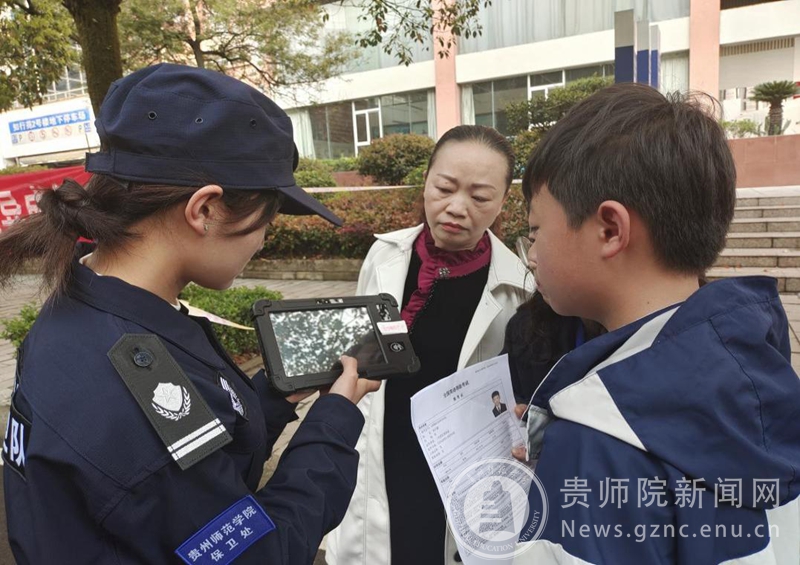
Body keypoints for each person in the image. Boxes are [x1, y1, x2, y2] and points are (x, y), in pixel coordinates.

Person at [0, 63, 380, 564]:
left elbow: (194, 473)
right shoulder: (128, 382)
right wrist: (335, 419)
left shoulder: (83, 303)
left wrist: (274, 394)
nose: (263, 240)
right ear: (204, 210)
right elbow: (260, 553)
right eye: (266, 219)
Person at [512, 84, 800, 563]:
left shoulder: (595, 445)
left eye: (535, 230)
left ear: (610, 230)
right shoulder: (759, 379)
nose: (532, 254)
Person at [325, 125, 530, 565]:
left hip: (454, 464)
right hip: (381, 446)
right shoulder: (384, 255)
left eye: (480, 197)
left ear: (502, 202)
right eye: (444, 188)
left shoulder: (519, 288)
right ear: (426, 182)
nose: (456, 207)